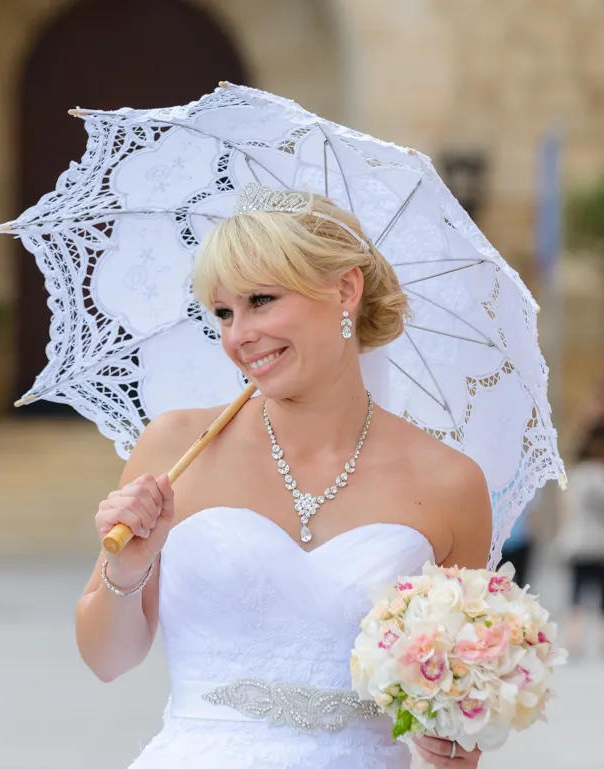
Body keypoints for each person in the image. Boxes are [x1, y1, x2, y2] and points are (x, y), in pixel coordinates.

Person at [75, 189, 492, 768]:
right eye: (223, 312)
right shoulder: (175, 449)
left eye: (261, 301)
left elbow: (457, 726)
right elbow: (106, 661)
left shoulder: (451, 484)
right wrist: (126, 570)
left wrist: (450, 746)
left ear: (345, 290)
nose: (237, 335)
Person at [556, 431, 604, 660]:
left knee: (576, 592)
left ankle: (574, 639)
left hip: (578, 541)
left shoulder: (574, 478)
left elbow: (567, 511)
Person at [501, 489, 539, 588]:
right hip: (502, 543)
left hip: (520, 539)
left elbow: (533, 511)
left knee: (520, 584)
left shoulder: (525, 480)